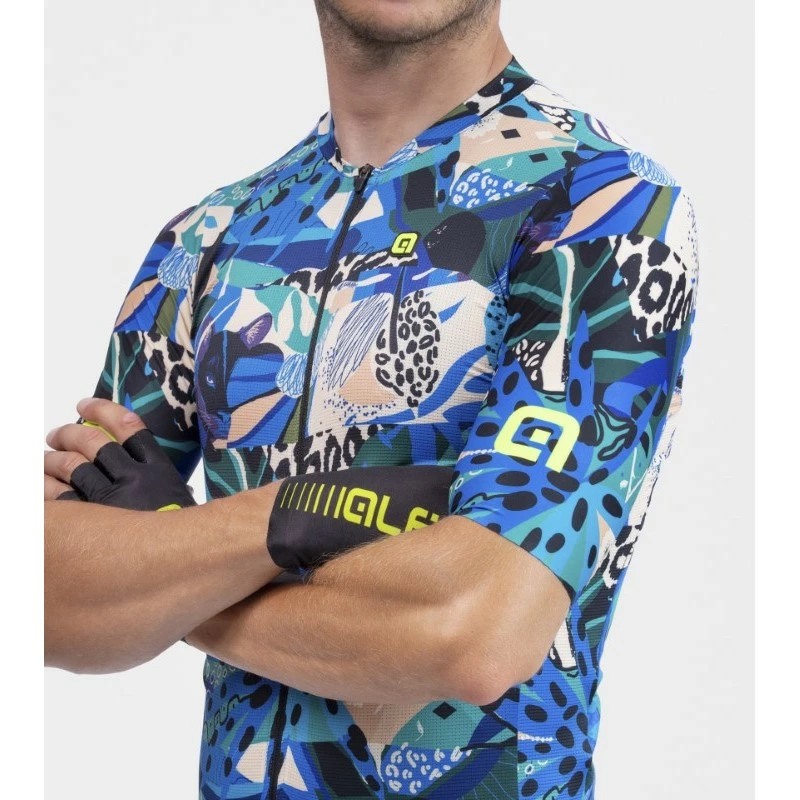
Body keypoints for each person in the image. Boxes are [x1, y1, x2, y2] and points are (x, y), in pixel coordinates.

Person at [44, 1, 699, 797]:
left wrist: (172, 555)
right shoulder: (208, 238)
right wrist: (301, 516)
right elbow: (51, 600)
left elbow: (474, 634)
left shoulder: (600, 207)